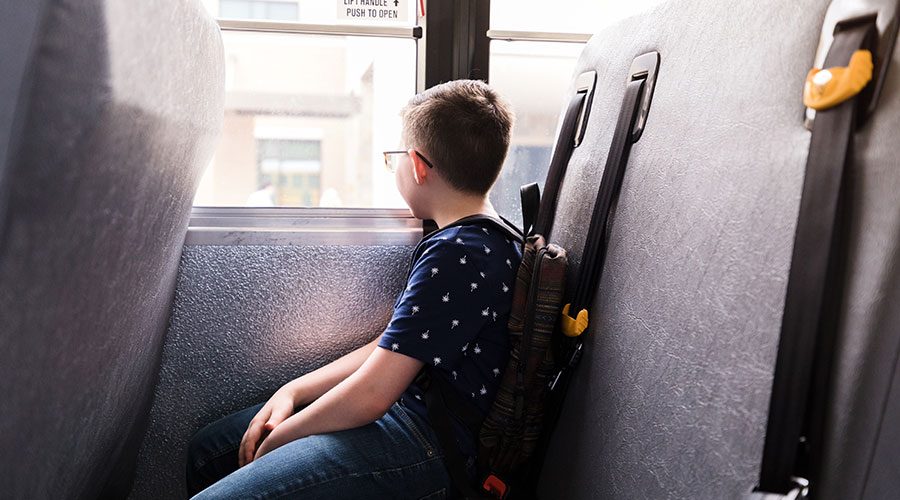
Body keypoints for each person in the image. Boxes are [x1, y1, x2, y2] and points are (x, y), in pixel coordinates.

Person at [186, 79, 520, 499]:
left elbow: (373, 395)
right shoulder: (491, 239)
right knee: (208, 453)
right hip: (411, 412)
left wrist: (284, 437)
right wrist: (292, 391)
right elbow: (395, 347)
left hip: (428, 442)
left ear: (417, 166)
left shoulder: (459, 252)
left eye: (394, 157)